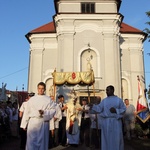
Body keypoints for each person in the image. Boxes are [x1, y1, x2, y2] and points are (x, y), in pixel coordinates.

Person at [20, 82, 56, 150]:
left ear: (44, 89)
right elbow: (27, 112)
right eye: (39, 88)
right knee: (31, 142)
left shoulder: (48, 99)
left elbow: (53, 110)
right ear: (37, 89)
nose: (41, 90)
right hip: (33, 122)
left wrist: (44, 112)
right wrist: (24, 124)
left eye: (42, 88)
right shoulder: (32, 99)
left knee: (42, 142)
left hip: (43, 123)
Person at [91, 85, 126, 150]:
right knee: (106, 139)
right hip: (106, 122)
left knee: (116, 138)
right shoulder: (104, 101)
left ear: (112, 90)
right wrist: (92, 106)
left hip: (116, 122)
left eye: (108, 90)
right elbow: (99, 108)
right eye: (106, 90)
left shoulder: (118, 100)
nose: (106, 92)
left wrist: (116, 110)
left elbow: (123, 110)